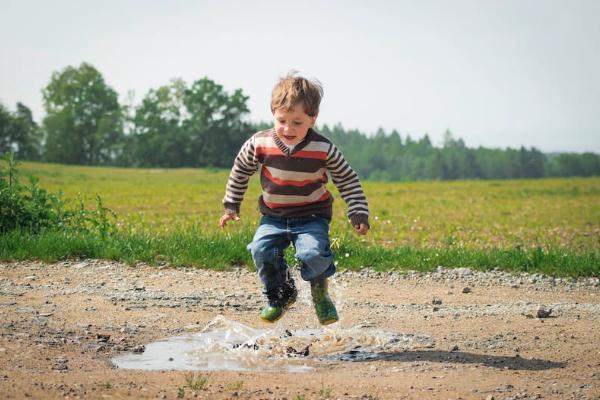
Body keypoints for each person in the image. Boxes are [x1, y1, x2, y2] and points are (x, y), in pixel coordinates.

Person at [219, 72, 369, 325]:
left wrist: (358, 212)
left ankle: (320, 293)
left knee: (312, 254)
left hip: (312, 216)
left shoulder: (323, 148)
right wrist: (231, 204)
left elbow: (347, 179)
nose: (288, 129)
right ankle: (281, 295)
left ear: (313, 118)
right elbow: (240, 170)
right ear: (273, 113)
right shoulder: (260, 143)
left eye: (297, 122)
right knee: (261, 250)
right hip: (273, 216)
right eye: (282, 120)